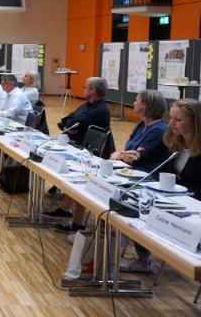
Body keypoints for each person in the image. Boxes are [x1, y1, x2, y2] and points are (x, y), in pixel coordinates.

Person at [46, 90, 169, 233]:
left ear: (144, 105)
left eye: (136, 100)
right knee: (87, 175)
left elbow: (134, 156)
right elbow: (128, 152)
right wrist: (121, 154)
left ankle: (100, 226)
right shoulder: (141, 125)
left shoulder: (158, 130)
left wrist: (120, 154)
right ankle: (75, 219)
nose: (133, 102)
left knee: (94, 179)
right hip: (128, 171)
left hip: (144, 176)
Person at [120, 99, 201, 273]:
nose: (171, 123)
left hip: (194, 202)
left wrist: (184, 194)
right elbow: (151, 152)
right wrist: (137, 155)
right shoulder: (172, 137)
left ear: (195, 121)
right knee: (140, 203)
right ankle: (143, 260)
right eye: (171, 118)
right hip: (172, 197)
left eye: (178, 120)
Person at [57, 77, 110, 145]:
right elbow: (66, 120)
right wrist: (65, 127)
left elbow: (71, 124)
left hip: (83, 147)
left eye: (85, 87)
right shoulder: (87, 105)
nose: (83, 89)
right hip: (72, 142)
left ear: (93, 90)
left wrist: (67, 126)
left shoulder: (100, 111)